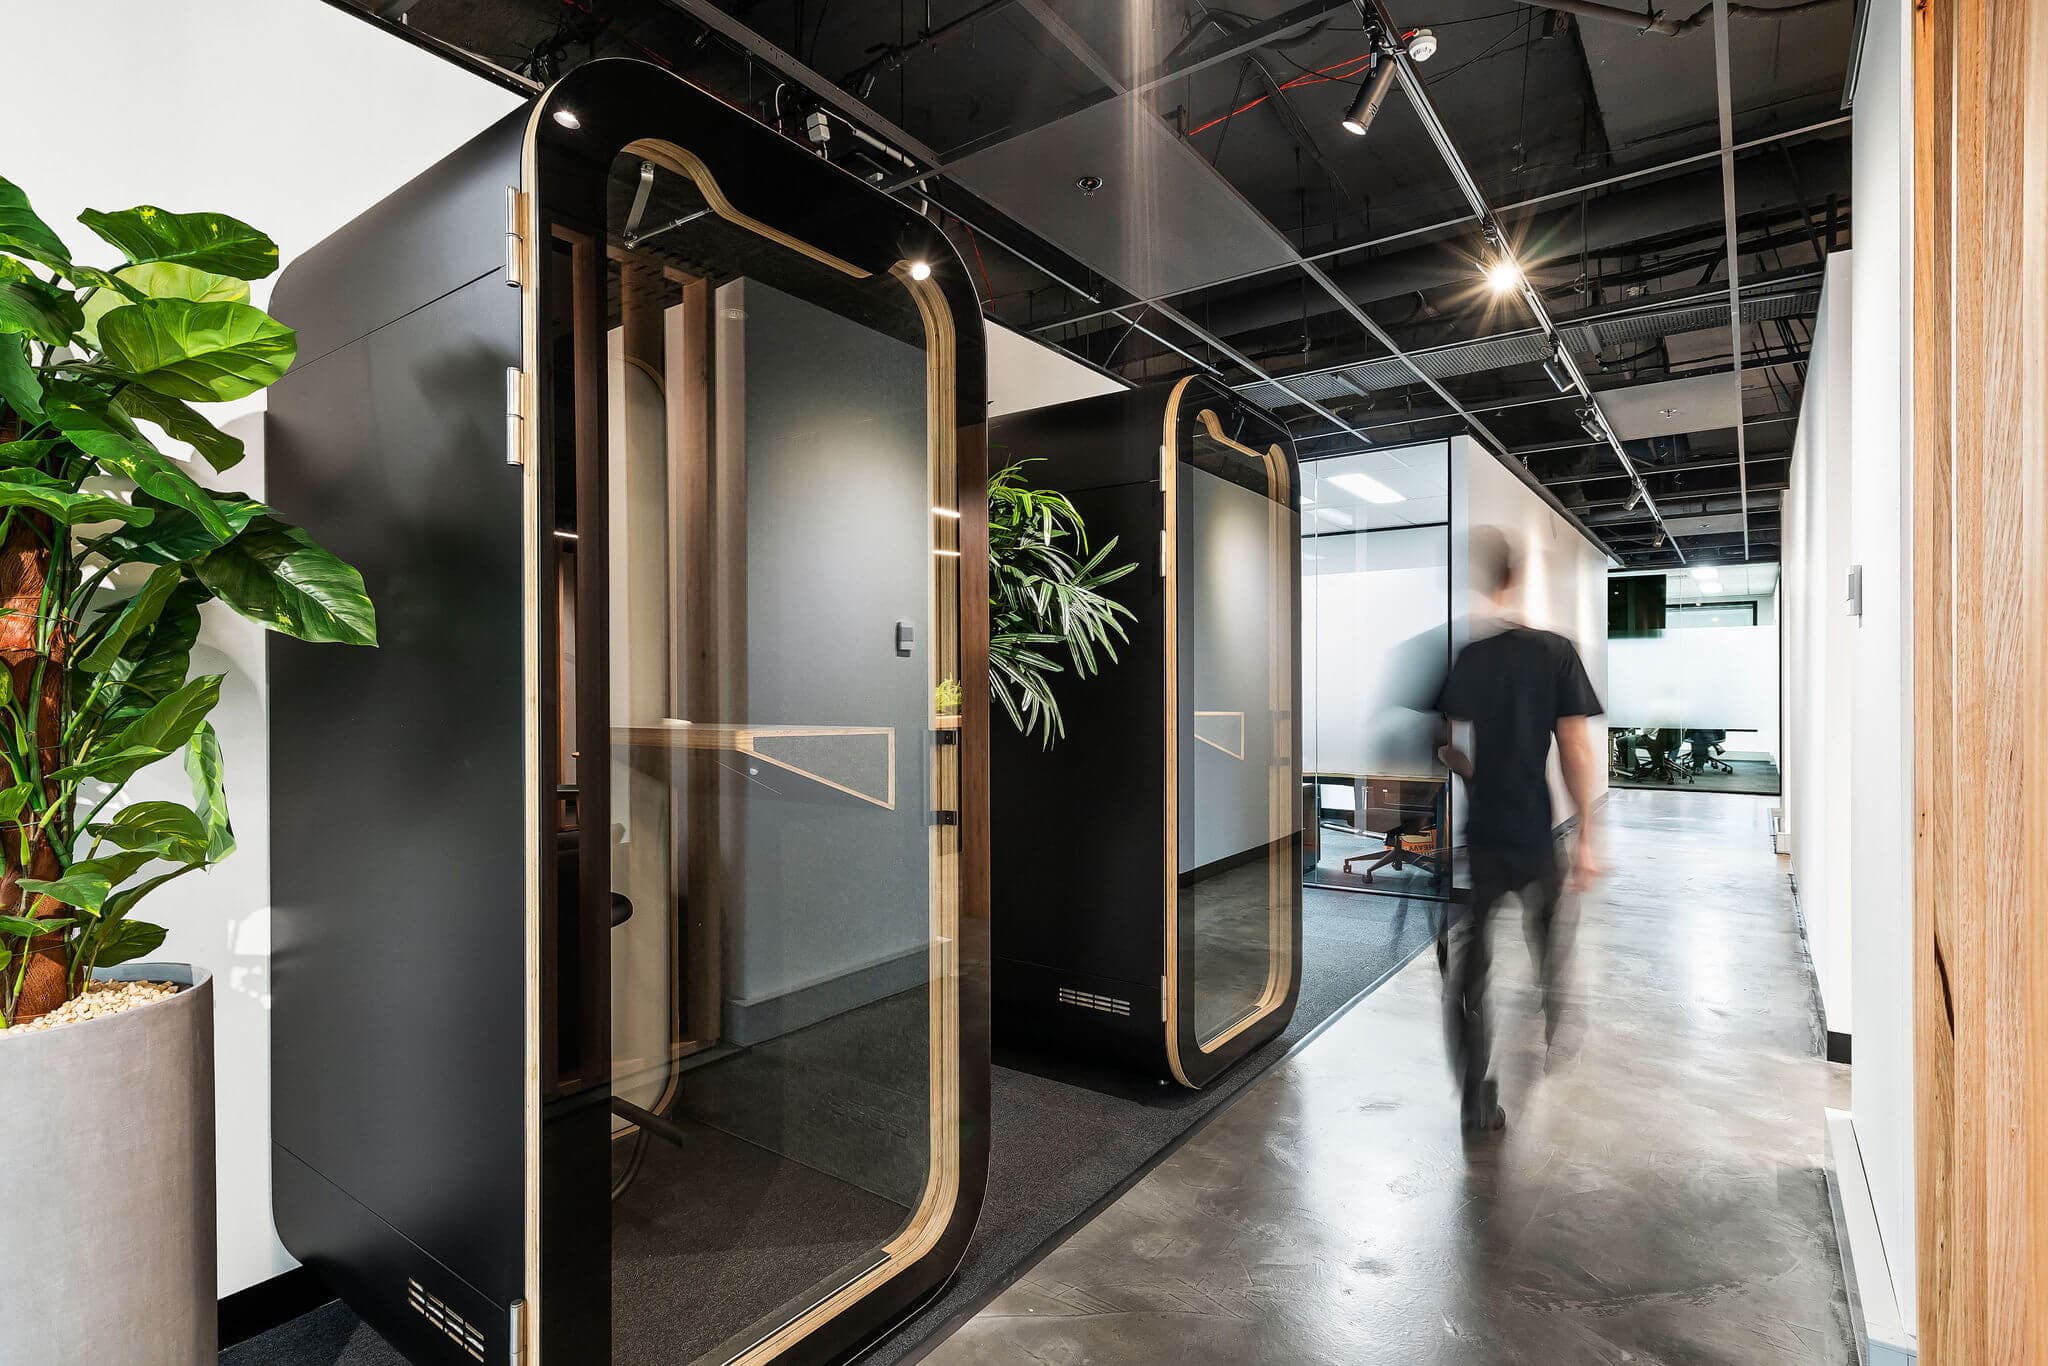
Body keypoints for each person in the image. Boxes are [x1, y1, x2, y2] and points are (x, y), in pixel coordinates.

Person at [1435, 528, 1605, 1133]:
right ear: (1518, 578)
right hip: (1535, 830)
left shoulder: (1470, 659)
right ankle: (1553, 1003)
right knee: (1547, 929)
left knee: (1471, 968)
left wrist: (1467, 772)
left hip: (1484, 834)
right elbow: (1575, 747)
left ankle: (1477, 1096)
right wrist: (1587, 835)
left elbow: (1452, 745)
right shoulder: (1555, 652)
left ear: (1483, 581)